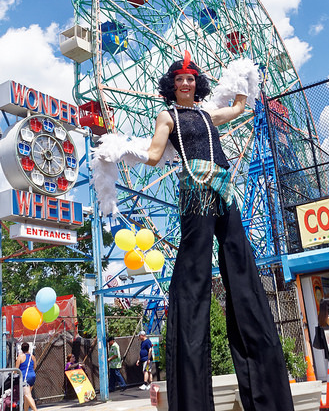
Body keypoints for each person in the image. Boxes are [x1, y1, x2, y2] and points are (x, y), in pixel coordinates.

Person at [94, 53, 293, 411]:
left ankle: (266, 389)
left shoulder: (205, 113)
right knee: (195, 271)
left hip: (224, 188)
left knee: (241, 265)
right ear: (172, 86)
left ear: (196, 84)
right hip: (197, 191)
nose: (185, 84)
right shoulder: (166, 116)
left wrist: (244, 79)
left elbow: (236, 110)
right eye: (179, 79)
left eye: (190, 79)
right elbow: (155, 155)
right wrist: (120, 149)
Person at [15, 342, 38, 411]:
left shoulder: (20, 356)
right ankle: (25, 410)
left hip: (25, 377)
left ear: (21, 349)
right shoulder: (32, 357)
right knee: (26, 396)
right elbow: (35, 366)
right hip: (32, 376)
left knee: (28, 395)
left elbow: (16, 368)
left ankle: (35, 409)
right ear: (28, 348)